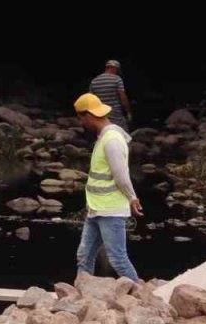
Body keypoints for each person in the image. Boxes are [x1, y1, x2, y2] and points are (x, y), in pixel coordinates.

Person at [74, 92, 141, 284]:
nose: (81, 123)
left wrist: (132, 198)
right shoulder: (104, 136)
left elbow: (121, 175)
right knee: (84, 255)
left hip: (110, 209)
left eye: (80, 118)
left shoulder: (111, 140)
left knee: (118, 259)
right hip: (96, 208)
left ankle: (141, 294)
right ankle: (81, 293)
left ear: (87, 115)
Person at [90, 60, 133, 129]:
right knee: (123, 135)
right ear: (115, 68)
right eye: (117, 70)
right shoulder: (117, 79)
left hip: (100, 115)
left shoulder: (94, 81)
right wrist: (128, 112)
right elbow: (123, 97)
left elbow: (91, 100)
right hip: (116, 115)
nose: (117, 72)